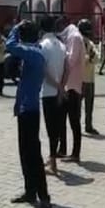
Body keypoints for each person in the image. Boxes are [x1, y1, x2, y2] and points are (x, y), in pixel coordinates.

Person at [5, 20, 51, 208]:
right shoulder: (34, 52)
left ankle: (44, 198)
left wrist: (15, 27)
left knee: (34, 156)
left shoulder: (33, 53)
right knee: (25, 153)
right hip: (25, 109)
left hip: (30, 111)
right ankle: (30, 192)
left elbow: (10, 45)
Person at [39, 16, 67, 176]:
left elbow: (43, 71)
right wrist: (62, 87)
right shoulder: (61, 46)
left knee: (51, 128)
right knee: (57, 127)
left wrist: (56, 86)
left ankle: (53, 163)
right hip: (60, 93)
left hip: (48, 92)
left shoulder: (43, 46)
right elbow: (67, 68)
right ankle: (52, 157)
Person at [57, 21, 86, 162]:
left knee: (74, 121)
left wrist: (61, 55)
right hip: (69, 86)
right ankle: (62, 149)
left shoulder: (74, 37)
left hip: (72, 87)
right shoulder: (72, 36)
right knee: (62, 120)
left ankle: (75, 153)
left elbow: (71, 60)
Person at [79, 20, 99, 135]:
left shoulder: (90, 43)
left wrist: (90, 58)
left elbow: (96, 58)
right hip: (80, 79)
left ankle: (88, 125)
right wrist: (89, 58)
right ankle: (77, 126)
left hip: (90, 79)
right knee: (77, 106)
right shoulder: (77, 42)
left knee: (89, 106)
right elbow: (80, 59)